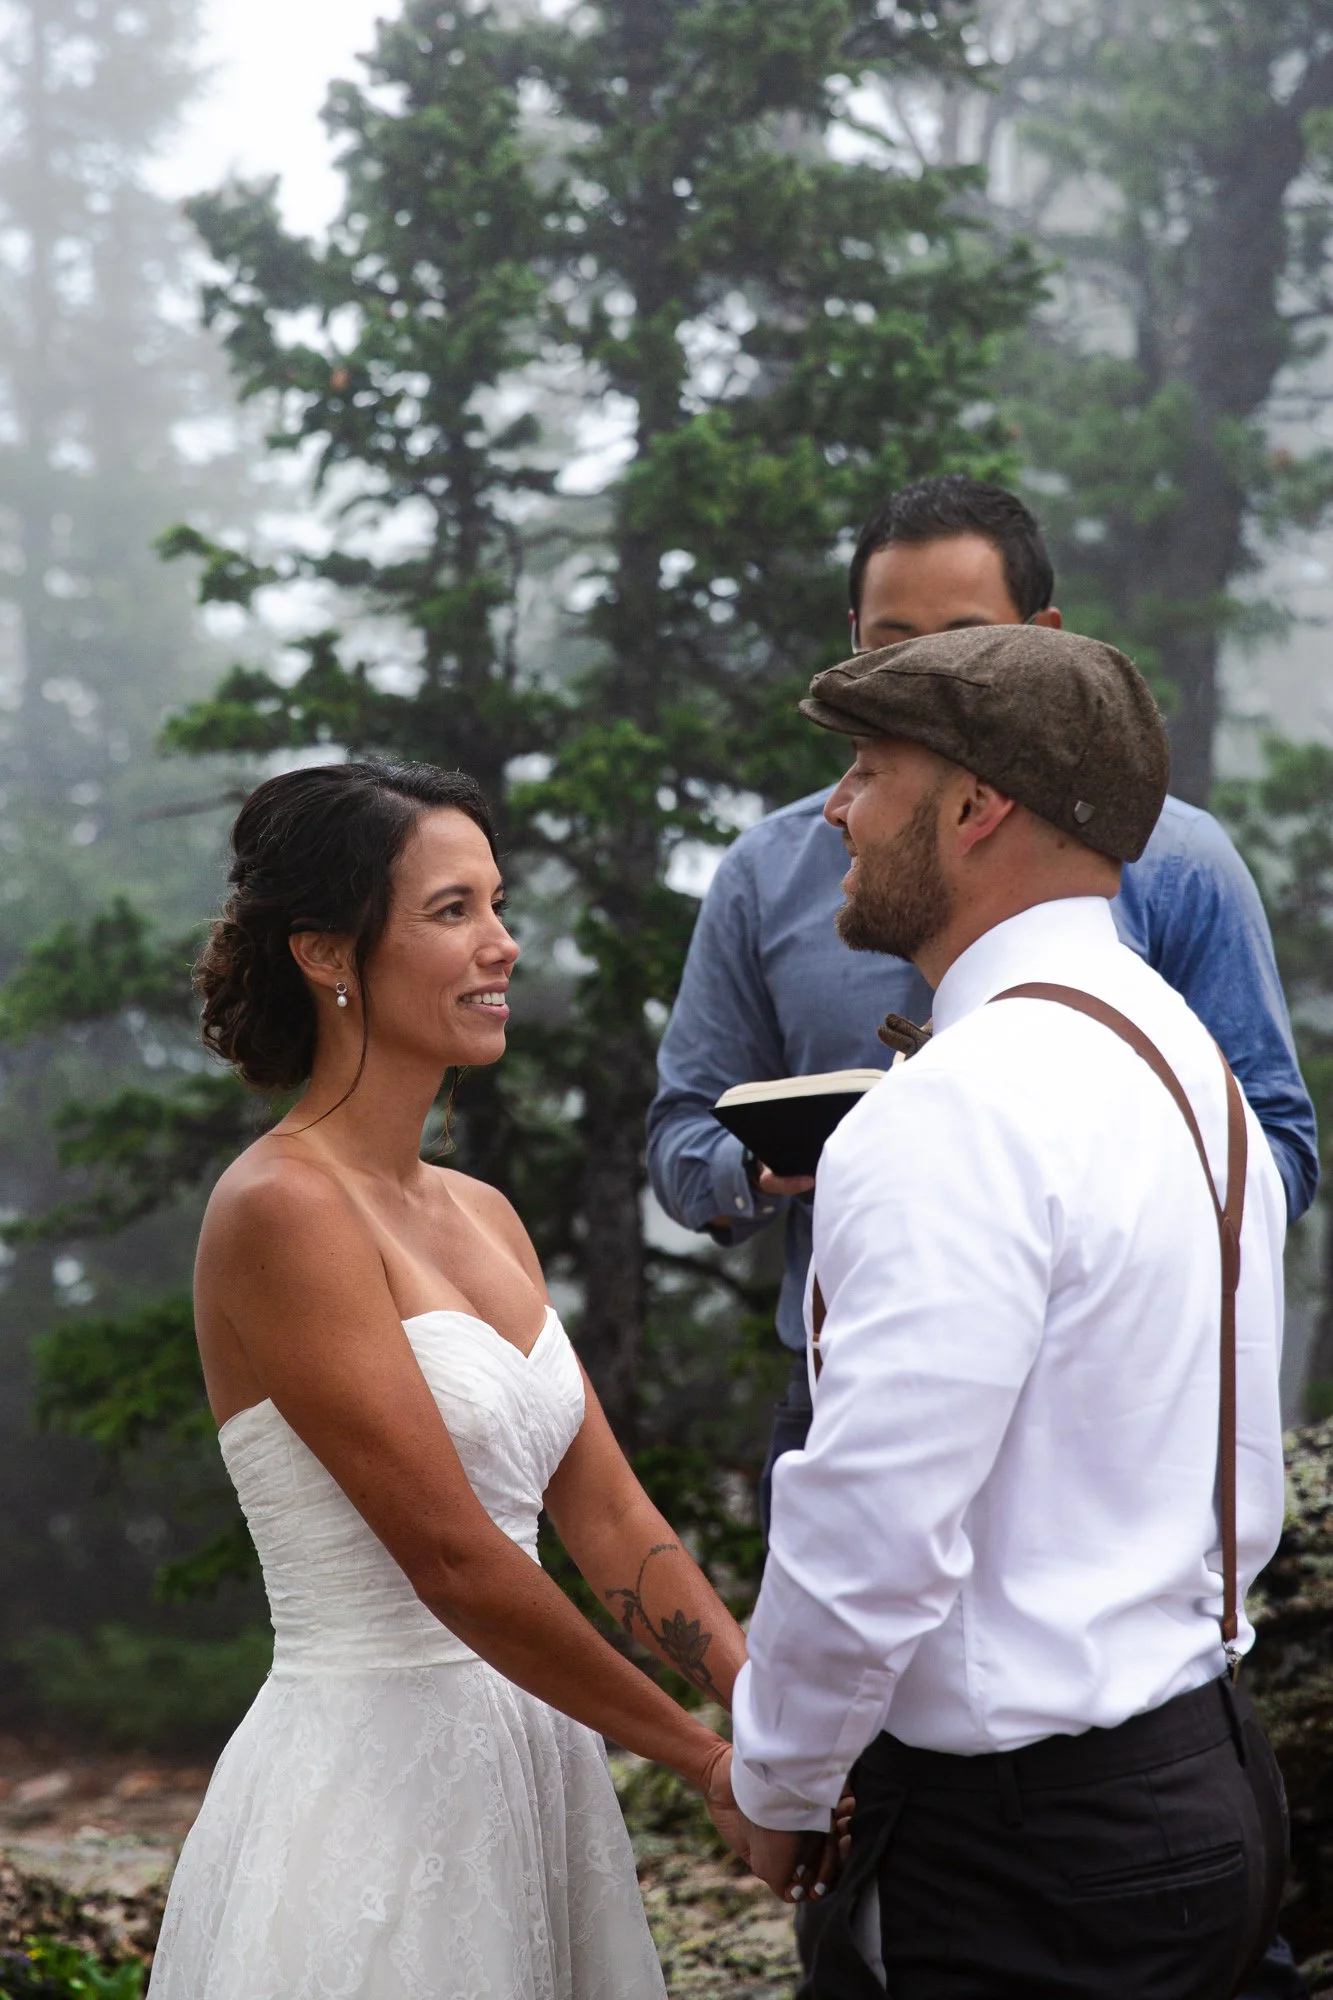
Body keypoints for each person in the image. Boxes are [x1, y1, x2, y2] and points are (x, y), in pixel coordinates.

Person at [726, 624, 1290, 1997]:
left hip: (1025, 1863)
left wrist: (778, 1778)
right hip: (1203, 1776)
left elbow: (870, 1522)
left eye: (866, 769)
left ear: (978, 807)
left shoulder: (957, 1107)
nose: (835, 813)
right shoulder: (1184, 1063)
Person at [148, 759, 764, 2000]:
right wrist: (707, 1764)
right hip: (368, 1793)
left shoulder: (484, 1213)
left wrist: (770, 1712)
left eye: (498, 901)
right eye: (453, 910)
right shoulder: (280, 1208)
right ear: (328, 952)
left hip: (535, 1771)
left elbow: (603, 1513)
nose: (504, 943)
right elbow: (452, 1556)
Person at [647, 477, 1317, 1541]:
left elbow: (1272, 1145)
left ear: (1044, 638)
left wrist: (1111, 1207)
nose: (914, 673)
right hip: (845, 1396)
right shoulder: (770, 870)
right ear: (849, 639)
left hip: (1102, 1417)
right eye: (888, 641)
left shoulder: (1178, 862)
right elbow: (681, 1136)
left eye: (960, 638)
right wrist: (765, 1166)